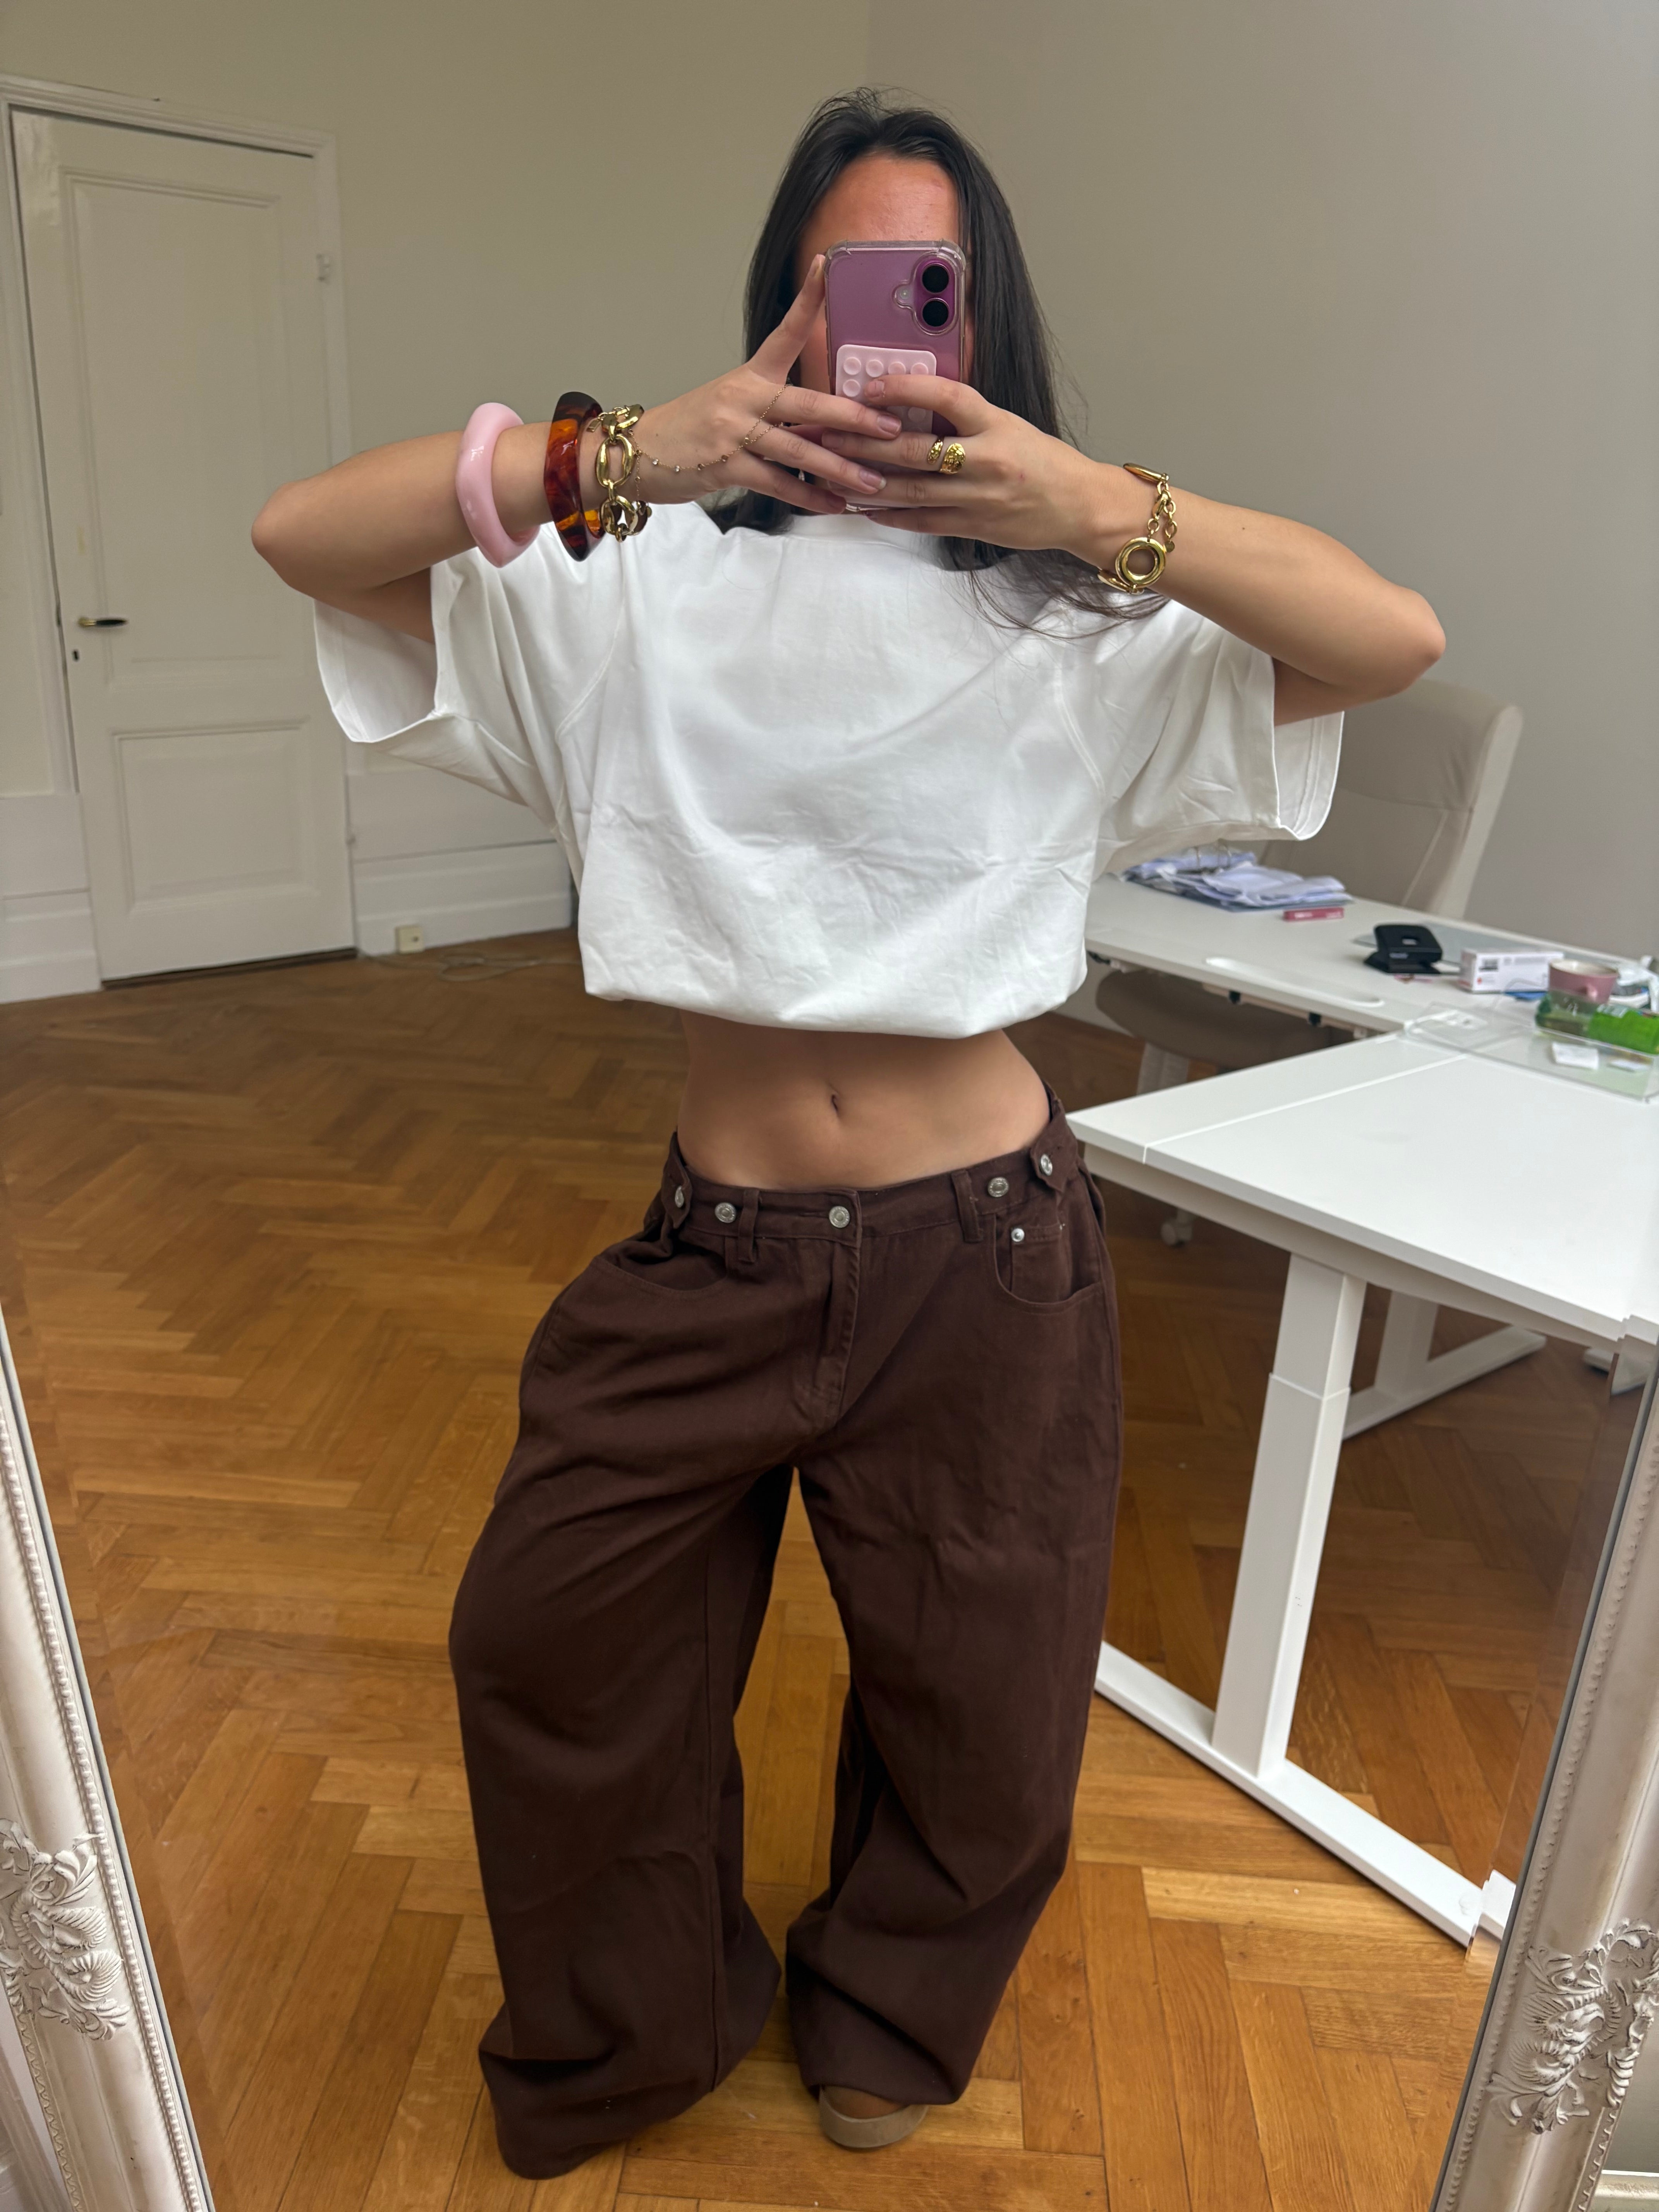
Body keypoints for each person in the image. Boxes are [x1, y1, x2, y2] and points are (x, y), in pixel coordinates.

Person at [252, 88, 1443, 2180]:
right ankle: (638, 2024)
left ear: (983, 324)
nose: (880, 337)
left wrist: (1092, 501)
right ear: (781, 308)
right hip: (713, 1246)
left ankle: (893, 2005)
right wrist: (626, 451)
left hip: (985, 1253)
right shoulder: (633, 591)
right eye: (840, 285)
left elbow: (1389, 637)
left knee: (981, 1686)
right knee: (551, 1639)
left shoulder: (1085, 618)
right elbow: (302, 536)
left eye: (924, 292)